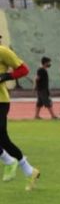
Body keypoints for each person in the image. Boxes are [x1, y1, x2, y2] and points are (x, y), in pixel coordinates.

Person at [0, 41, 39, 189]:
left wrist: (6, 76)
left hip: (1, 101)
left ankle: (9, 161)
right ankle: (30, 171)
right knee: (3, 140)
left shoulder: (3, 51)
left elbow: (23, 70)